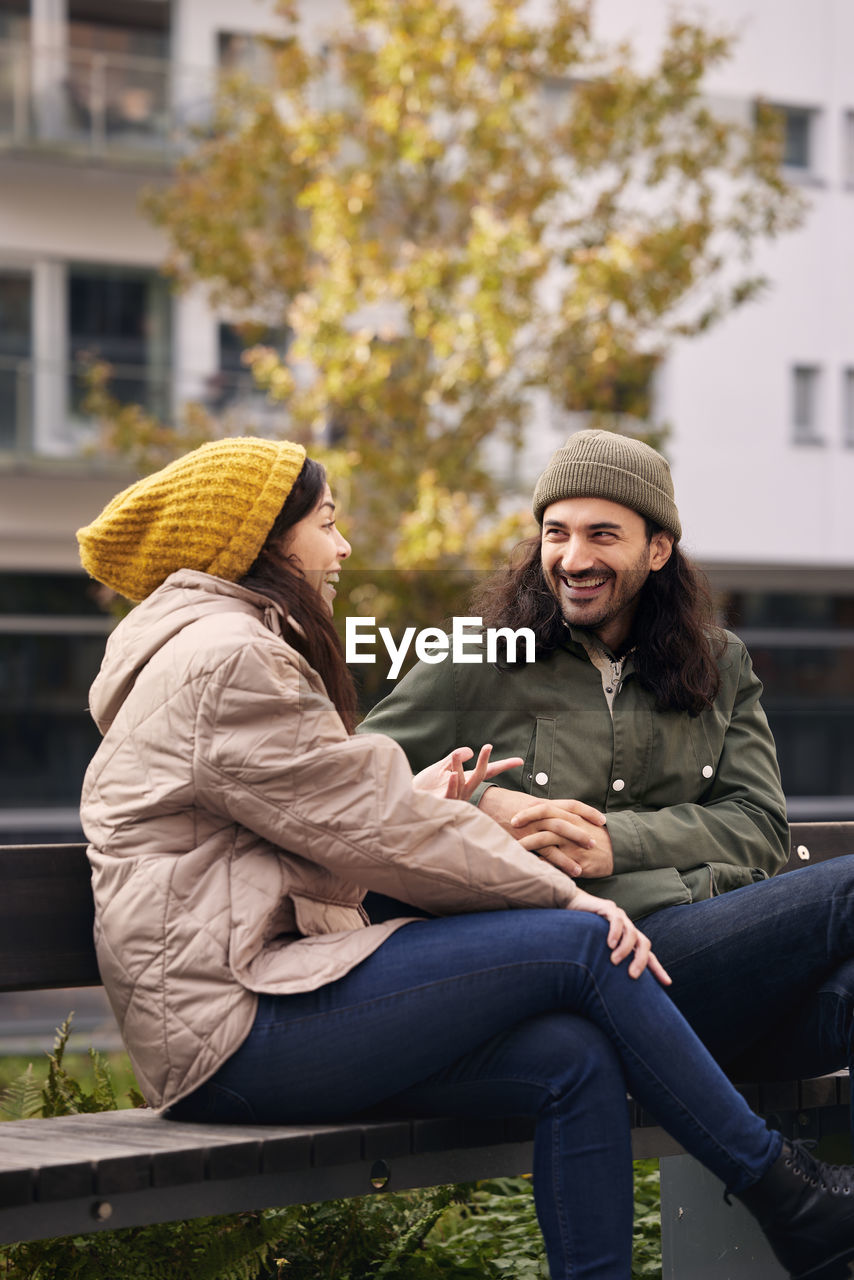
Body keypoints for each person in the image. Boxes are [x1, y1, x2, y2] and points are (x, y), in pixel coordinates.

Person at [76, 436, 854, 1280]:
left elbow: (336, 822)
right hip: (232, 1021)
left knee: (570, 1060)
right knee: (590, 947)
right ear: (262, 541)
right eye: (328, 526)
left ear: (658, 551)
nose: (342, 548)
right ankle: (793, 1201)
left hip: (265, 991)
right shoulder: (229, 660)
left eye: (604, 535)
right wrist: (560, 891)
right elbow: (368, 817)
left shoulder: (225, 649)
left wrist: (466, 811)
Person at [360, 428, 854, 1125]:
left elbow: (760, 825)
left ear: (657, 550)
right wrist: (483, 805)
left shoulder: (721, 664)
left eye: (602, 535)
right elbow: (351, 781)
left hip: (707, 969)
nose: (573, 558)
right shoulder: (475, 659)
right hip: (585, 969)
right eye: (555, 533)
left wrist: (622, 843)